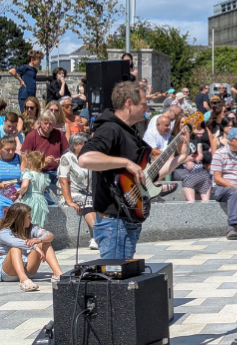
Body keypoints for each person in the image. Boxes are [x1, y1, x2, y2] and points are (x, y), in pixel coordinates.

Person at [79, 81, 190, 258]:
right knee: (116, 275)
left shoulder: (131, 132)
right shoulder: (109, 128)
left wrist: (181, 157)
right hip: (113, 223)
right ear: (129, 103)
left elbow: (149, 176)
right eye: (143, 103)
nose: (147, 108)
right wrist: (126, 163)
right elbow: (85, 159)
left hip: (128, 220)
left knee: (125, 273)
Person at [0, 204, 63, 292]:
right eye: (28, 217)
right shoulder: (4, 231)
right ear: (19, 219)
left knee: (45, 242)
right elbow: (14, 242)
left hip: (27, 267)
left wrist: (40, 240)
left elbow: (50, 235)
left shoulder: (31, 228)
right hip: (8, 272)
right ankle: (24, 281)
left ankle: (58, 274)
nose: (31, 219)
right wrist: (35, 246)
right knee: (15, 249)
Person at [58, 132, 98, 250]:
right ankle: (98, 235)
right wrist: (69, 201)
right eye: (85, 143)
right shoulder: (66, 158)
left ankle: (97, 237)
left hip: (89, 192)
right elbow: (63, 181)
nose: (88, 145)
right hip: (73, 192)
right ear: (76, 145)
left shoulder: (90, 157)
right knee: (87, 202)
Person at [21, 110, 67, 203]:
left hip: (57, 170)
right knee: (44, 194)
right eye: (45, 123)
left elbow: (66, 153)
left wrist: (61, 159)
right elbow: (25, 157)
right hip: (39, 171)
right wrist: (42, 161)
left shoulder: (59, 134)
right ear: (40, 122)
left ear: (54, 124)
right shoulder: (32, 136)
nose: (48, 126)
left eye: (50, 123)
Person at [15, 151, 49, 228]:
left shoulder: (28, 173)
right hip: (40, 200)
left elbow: (25, 185)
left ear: (29, 162)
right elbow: (42, 191)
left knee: (23, 218)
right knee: (36, 220)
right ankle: (34, 234)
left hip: (29, 198)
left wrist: (21, 194)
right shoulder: (43, 176)